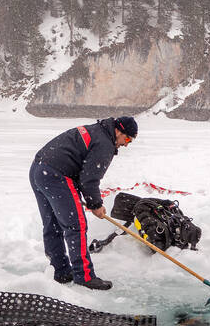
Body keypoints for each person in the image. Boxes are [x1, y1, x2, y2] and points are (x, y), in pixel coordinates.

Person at [29, 116, 138, 290]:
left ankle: (61, 271)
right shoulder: (105, 144)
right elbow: (89, 179)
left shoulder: (97, 131)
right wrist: (95, 204)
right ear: (119, 131)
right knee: (76, 225)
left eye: (130, 142)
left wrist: (91, 201)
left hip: (39, 170)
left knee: (53, 224)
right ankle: (84, 276)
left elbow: (84, 176)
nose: (126, 144)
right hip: (57, 175)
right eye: (127, 139)